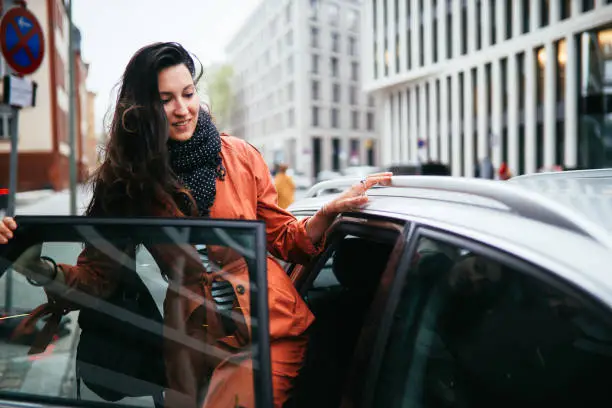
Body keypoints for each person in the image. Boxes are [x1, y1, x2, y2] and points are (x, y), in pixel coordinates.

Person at [0, 42, 390, 408]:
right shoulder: (127, 182)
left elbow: (284, 239)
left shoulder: (240, 156)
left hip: (265, 328)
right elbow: (99, 276)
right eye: (165, 100)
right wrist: (38, 266)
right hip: (188, 345)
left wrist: (324, 216)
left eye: (188, 93)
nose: (183, 109)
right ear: (140, 109)